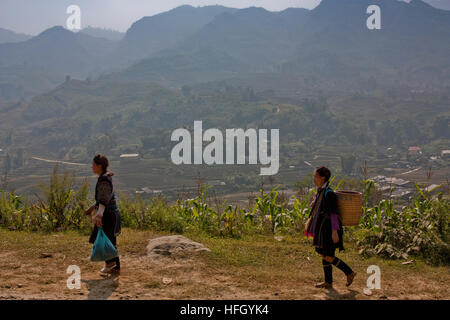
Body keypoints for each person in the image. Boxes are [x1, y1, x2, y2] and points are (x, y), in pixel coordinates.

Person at [305, 166, 356, 288]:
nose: (314, 179)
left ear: (322, 178)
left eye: (315, 176)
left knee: (328, 256)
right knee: (324, 254)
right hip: (322, 229)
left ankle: (349, 272)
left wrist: (334, 232)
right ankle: (328, 282)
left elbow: (333, 214)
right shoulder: (321, 191)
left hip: (329, 229)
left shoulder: (329, 193)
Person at [84, 154, 121, 273]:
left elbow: (104, 201)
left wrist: (99, 214)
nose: (92, 167)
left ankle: (112, 264)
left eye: (93, 164)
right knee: (107, 239)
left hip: (108, 215)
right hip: (109, 213)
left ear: (99, 166)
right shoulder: (105, 178)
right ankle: (112, 265)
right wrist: (91, 209)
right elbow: (102, 198)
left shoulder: (104, 180)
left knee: (107, 240)